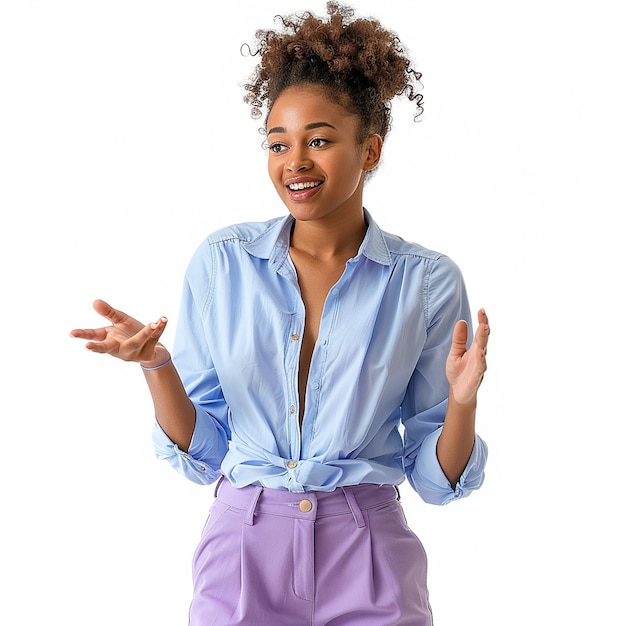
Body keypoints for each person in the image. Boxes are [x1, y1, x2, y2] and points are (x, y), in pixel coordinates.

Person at [71, 3, 490, 624]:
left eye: (319, 140)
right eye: (278, 143)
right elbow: (206, 450)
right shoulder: (222, 262)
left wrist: (461, 402)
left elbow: (435, 478)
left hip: (368, 547)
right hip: (244, 545)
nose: (294, 161)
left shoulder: (426, 282)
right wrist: (156, 365)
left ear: (370, 149)